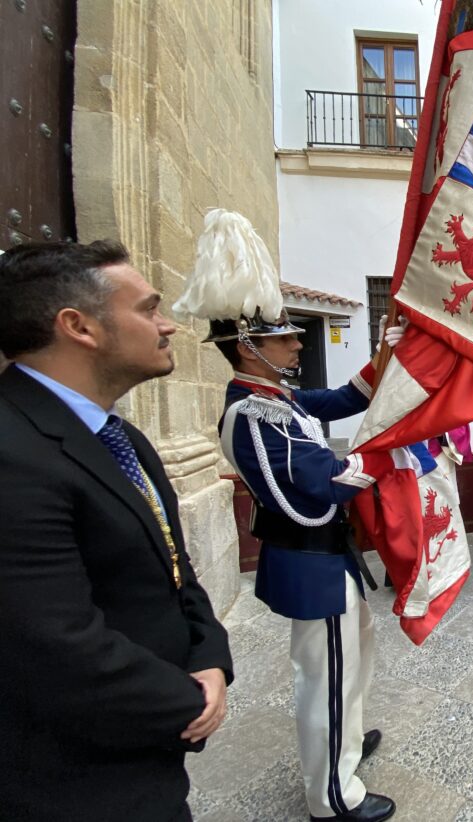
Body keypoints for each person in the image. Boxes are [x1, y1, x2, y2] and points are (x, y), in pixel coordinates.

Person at [174, 210, 397, 822]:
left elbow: (342, 399)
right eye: (286, 339)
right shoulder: (250, 414)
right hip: (310, 561)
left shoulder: (280, 397)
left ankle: (345, 747)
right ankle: (331, 796)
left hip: (330, 559)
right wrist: (373, 462)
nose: (299, 344)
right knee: (324, 676)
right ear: (249, 348)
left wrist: (382, 357)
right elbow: (309, 495)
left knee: (352, 661)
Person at [0, 241, 233, 821]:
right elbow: (54, 641)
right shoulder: (12, 450)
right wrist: (187, 701)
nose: (169, 326)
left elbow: (175, 568)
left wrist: (210, 655)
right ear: (79, 326)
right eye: (150, 309)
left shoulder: (123, 439)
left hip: (144, 757)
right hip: (70, 779)